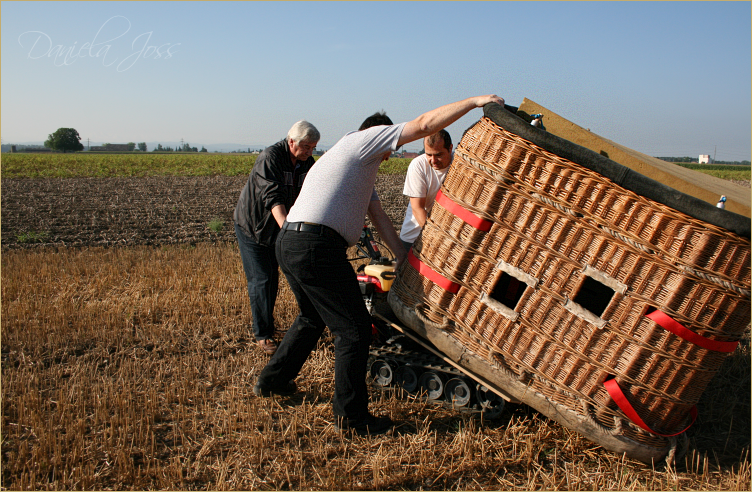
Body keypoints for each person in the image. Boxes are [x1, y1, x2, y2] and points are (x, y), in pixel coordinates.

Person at [253, 95, 504, 436]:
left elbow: (382, 220)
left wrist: (407, 260)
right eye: (388, 145)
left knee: (312, 317)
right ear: (378, 135)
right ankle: (352, 419)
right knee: (354, 330)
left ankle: (272, 382)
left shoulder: (352, 164)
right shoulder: (362, 143)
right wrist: (475, 102)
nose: (389, 154)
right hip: (316, 245)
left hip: (292, 243)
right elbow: (425, 124)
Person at [233, 120, 320, 355]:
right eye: (307, 147)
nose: (310, 152)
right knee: (263, 280)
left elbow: (311, 195)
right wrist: (287, 231)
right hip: (254, 228)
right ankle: (263, 334)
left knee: (285, 277)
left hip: (279, 229)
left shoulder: (306, 163)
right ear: (292, 142)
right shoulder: (270, 158)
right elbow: (272, 197)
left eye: (313, 148)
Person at [399, 129, 454, 252]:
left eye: (438, 155)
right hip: (415, 237)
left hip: (446, 237)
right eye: (429, 155)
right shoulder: (418, 166)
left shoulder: (459, 164)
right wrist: (435, 239)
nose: (433, 161)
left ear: (450, 149)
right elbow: (418, 208)